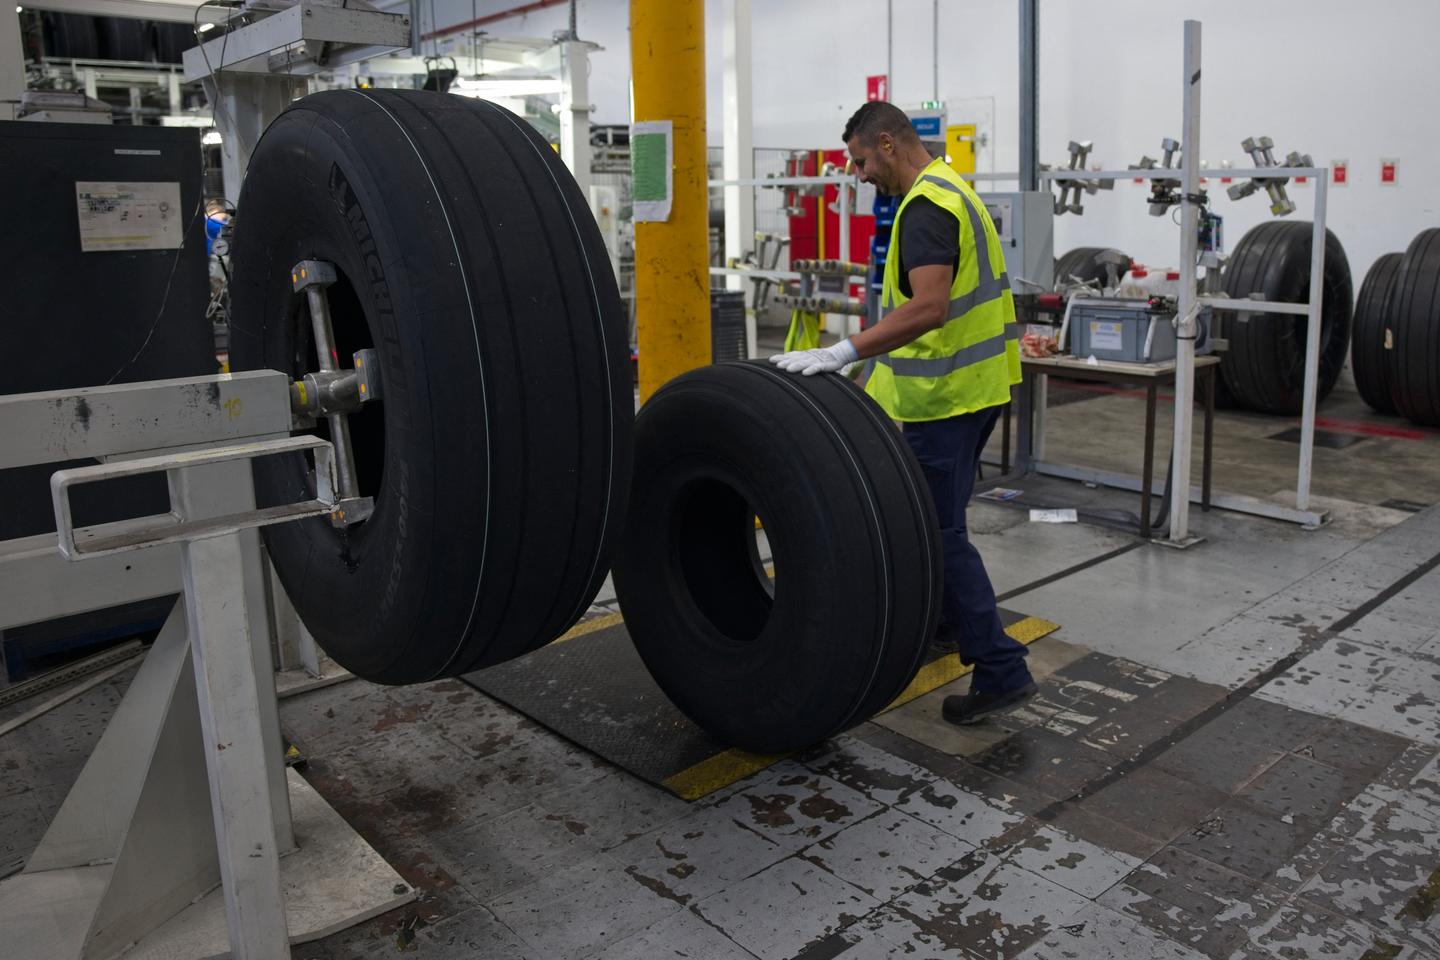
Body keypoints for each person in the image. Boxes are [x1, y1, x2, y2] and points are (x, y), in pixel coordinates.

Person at [769, 101, 1035, 725]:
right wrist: (867, 372)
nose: (859, 175)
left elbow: (929, 309)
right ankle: (945, 624)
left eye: (860, 160)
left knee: (940, 537)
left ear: (887, 143)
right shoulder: (955, 189)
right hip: (978, 391)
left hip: (945, 402)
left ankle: (1001, 669)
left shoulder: (923, 208)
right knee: (937, 522)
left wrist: (841, 351)